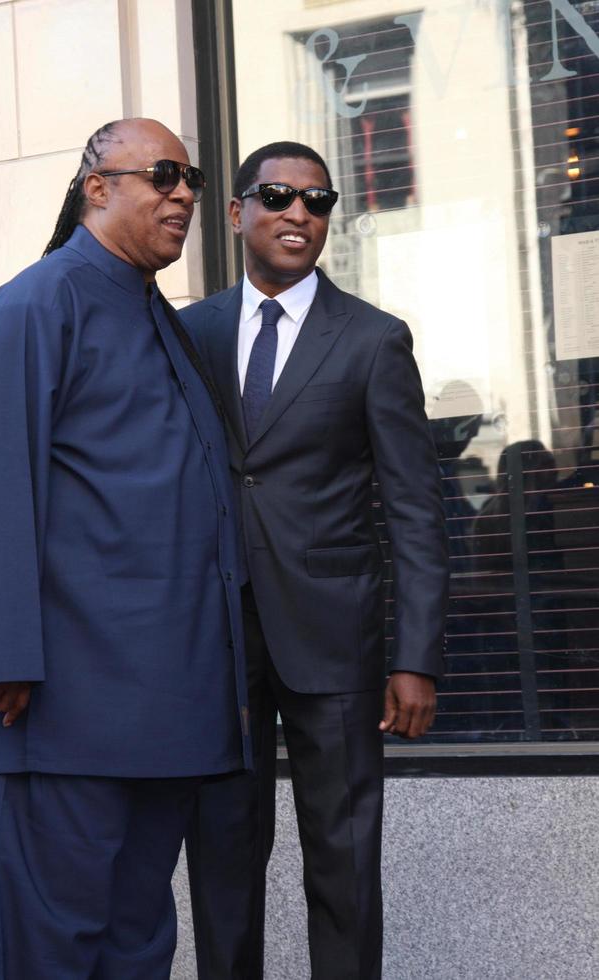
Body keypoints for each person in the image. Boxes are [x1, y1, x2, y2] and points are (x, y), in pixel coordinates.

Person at [0, 117, 251, 980]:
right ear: (97, 188)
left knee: (137, 948)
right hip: (50, 715)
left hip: (159, 716)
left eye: (189, 176)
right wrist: (1, 655)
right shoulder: (34, 306)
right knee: (46, 953)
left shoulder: (160, 318)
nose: (184, 192)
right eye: (161, 174)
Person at [180, 142, 449, 980]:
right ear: (237, 213)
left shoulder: (372, 341)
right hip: (217, 639)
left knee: (344, 858)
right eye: (277, 195)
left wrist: (415, 659)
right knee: (223, 857)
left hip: (335, 641)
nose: (299, 212)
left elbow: (414, 508)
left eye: (318, 200)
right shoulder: (188, 334)